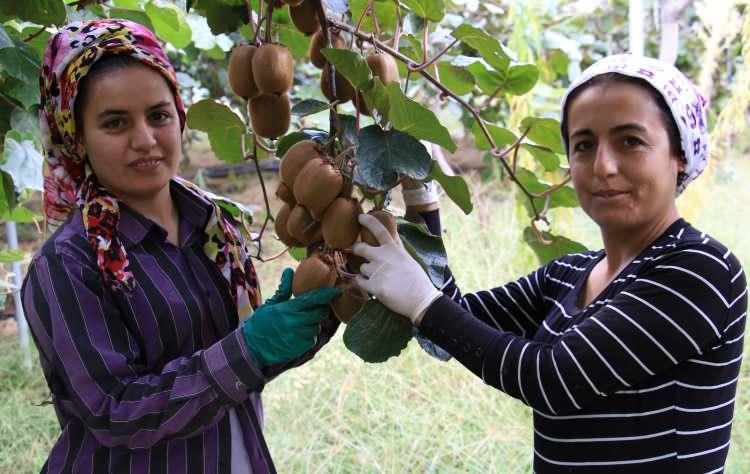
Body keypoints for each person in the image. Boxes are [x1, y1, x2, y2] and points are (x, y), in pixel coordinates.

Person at [353, 54, 747, 472]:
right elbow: (454, 321)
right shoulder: (570, 274)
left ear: (679, 154)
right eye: (584, 145)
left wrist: (421, 303)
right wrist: (421, 196)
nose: (603, 166)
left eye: (630, 141)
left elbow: (554, 379)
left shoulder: (702, 270)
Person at [22, 19, 341, 473]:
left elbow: (236, 374)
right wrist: (248, 348)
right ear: (77, 138)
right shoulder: (67, 264)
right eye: (115, 123)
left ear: (179, 114)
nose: (145, 139)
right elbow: (116, 412)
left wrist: (305, 323)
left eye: (158, 115)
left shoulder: (213, 229)